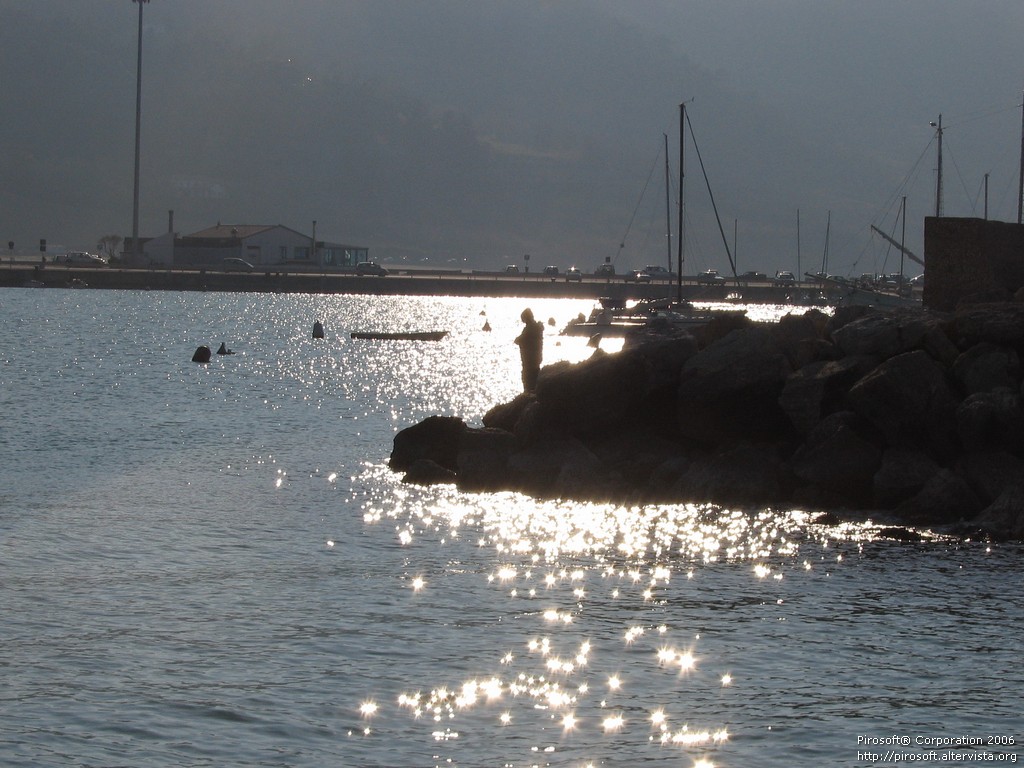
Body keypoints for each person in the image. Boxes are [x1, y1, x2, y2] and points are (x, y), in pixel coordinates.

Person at [514, 307, 544, 393]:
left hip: (530, 360)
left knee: (529, 381)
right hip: (536, 358)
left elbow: (518, 340)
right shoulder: (537, 328)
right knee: (534, 379)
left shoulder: (530, 328)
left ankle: (529, 396)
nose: (523, 321)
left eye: (523, 319)